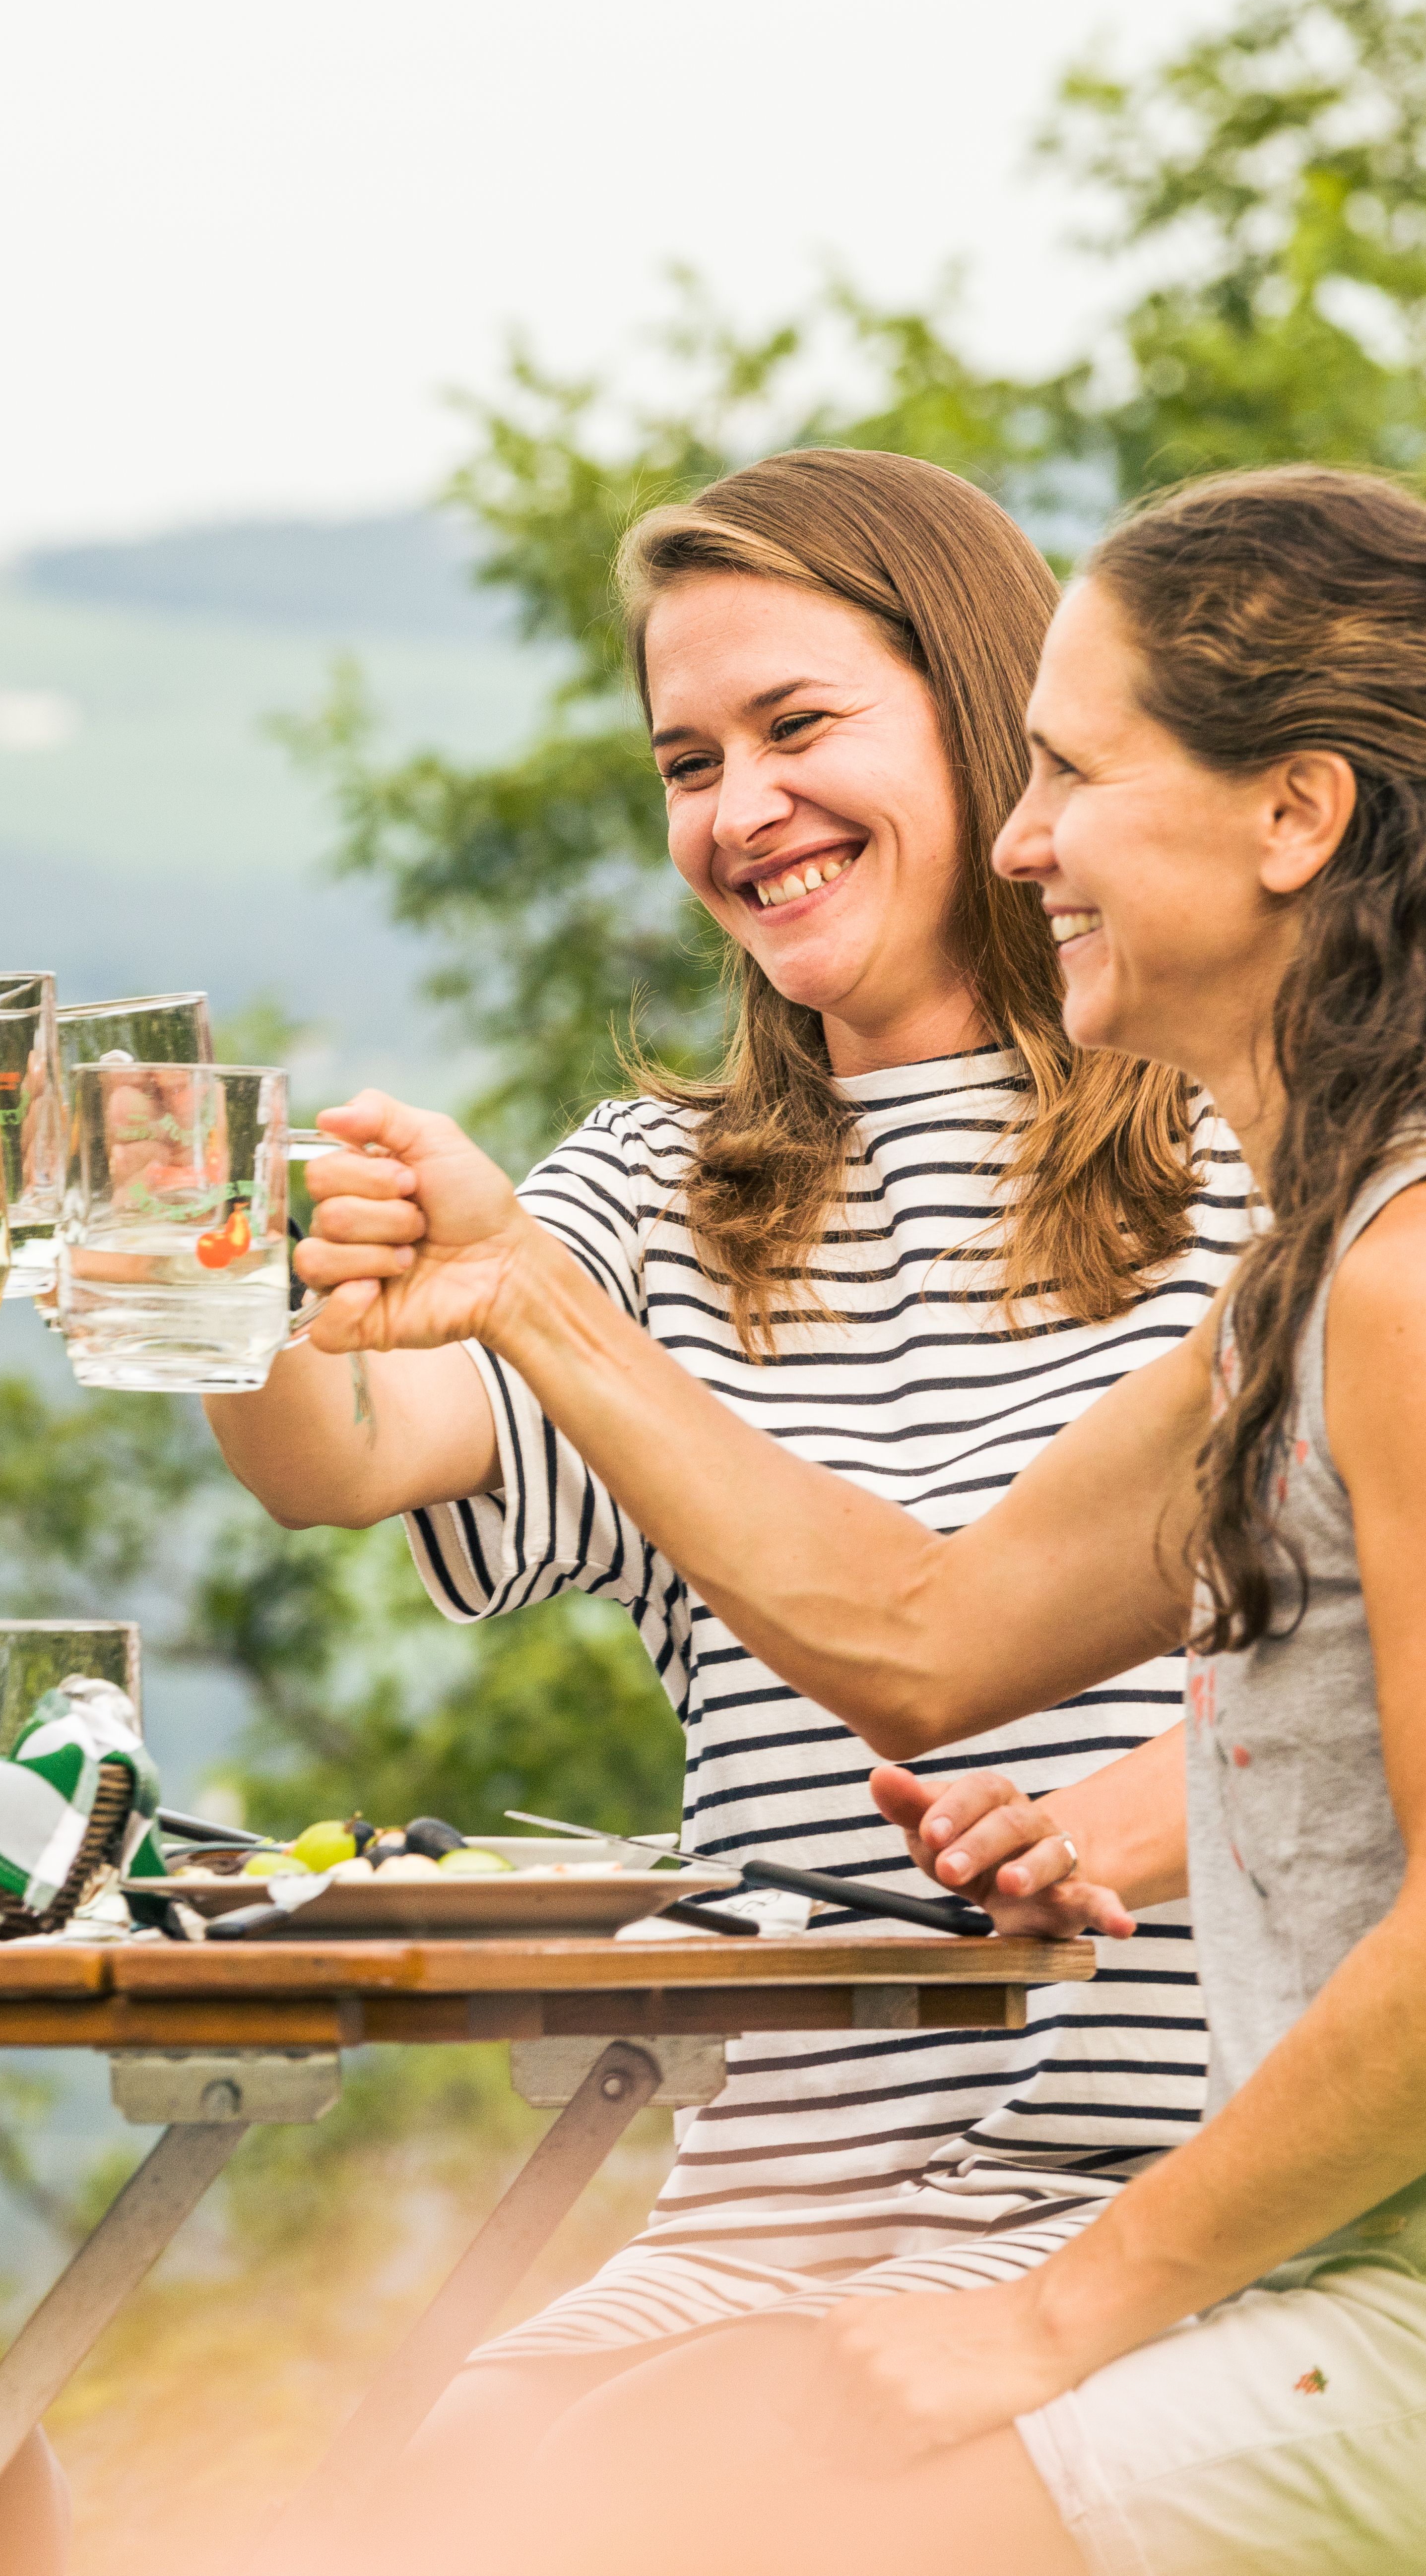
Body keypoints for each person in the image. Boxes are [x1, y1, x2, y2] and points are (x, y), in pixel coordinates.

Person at [291, 465, 1426, 2573]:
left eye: (1068, 773)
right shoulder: (1322, 1273)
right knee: (570, 2481)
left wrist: (1035, 2320)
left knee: (693, 2517)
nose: (1023, 837)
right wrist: (529, 1301)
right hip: (1352, 2311)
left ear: (1289, 817)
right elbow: (922, 1637)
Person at [204, 450, 1244, 2470]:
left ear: (981, 713)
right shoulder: (654, 1204)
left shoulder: (1235, 1154)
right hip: (770, 2215)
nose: (737, 811)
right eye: (685, 758)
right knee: (414, 2480)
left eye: (794, 727)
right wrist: (225, 1276)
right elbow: (344, 1455)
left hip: (1176, 2180)